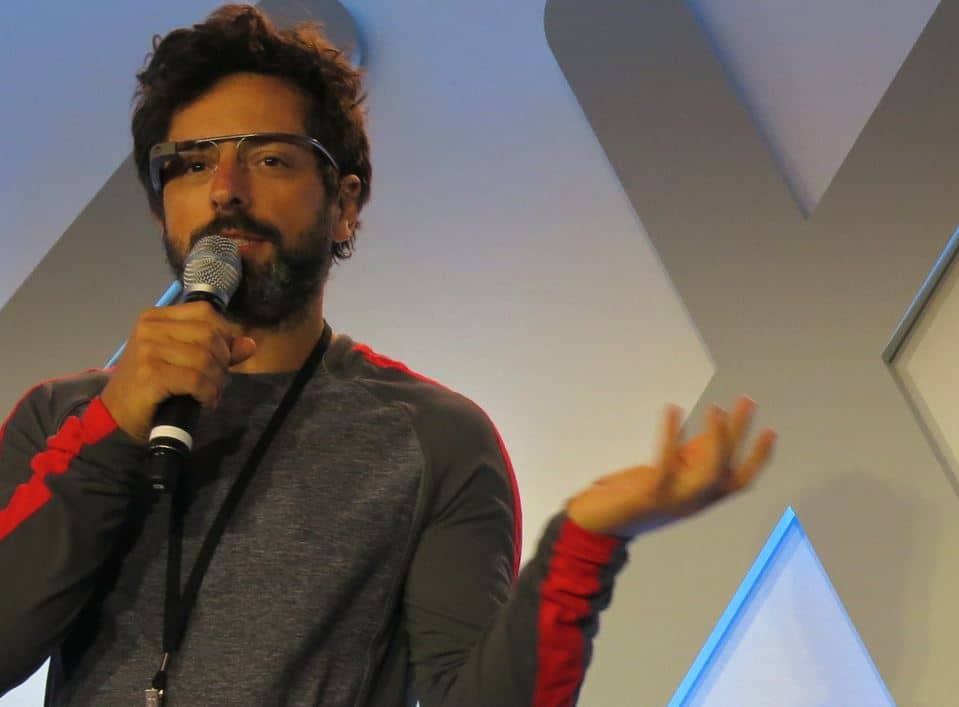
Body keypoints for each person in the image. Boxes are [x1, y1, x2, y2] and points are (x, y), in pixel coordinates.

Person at [0, 5, 776, 705]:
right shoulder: (62, 419)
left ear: (344, 204)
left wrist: (584, 544)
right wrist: (112, 431)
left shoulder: (434, 439)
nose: (225, 189)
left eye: (270, 158)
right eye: (192, 162)